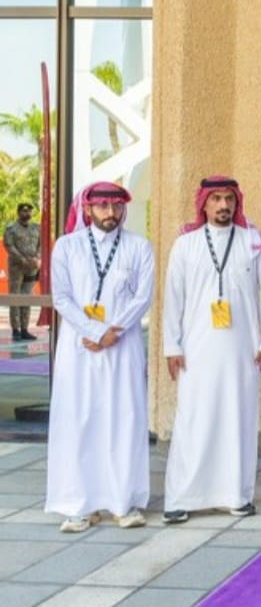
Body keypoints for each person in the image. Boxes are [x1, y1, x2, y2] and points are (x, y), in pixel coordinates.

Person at [162, 176, 261, 524]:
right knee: (193, 418)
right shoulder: (185, 245)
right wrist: (172, 345)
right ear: (204, 204)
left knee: (237, 419)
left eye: (229, 199)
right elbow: (173, 298)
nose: (223, 205)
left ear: (237, 202)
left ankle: (236, 496)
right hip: (196, 350)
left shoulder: (254, 242)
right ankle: (182, 497)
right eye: (216, 199)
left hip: (242, 349)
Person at [45, 183, 154, 532]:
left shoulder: (138, 247)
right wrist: (94, 331)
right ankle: (79, 505)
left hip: (122, 346)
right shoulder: (67, 246)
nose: (111, 212)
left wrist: (111, 332)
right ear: (88, 208)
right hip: (79, 349)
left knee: (123, 420)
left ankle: (124, 503)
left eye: (117, 205)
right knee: (79, 420)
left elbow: (143, 297)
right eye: (103, 205)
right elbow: (61, 298)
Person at [4, 202, 41, 341]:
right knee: (15, 297)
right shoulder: (11, 228)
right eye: (24, 211)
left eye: (29, 211)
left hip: (32, 267)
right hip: (17, 267)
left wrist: (36, 258)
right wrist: (22, 259)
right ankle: (16, 330)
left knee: (27, 297)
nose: (27, 213)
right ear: (18, 212)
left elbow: (41, 245)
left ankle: (25, 329)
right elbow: (9, 246)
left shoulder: (36, 228)